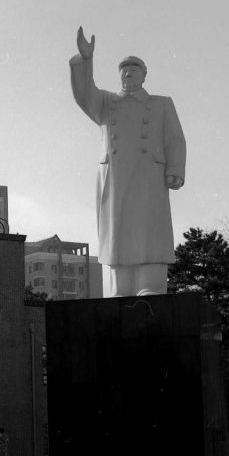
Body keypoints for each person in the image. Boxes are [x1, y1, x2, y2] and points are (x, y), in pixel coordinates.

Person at [70, 27, 186, 297]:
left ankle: (151, 284)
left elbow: (175, 138)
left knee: (149, 230)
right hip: (116, 176)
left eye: (134, 69)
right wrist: (85, 60)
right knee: (117, 231)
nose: (128, 72)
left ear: (144, 75)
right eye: (123, 69)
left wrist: (175, 170)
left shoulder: (161, 103)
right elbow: (84, 94)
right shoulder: (106, 103)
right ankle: (121, 287)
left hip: (149, 176)